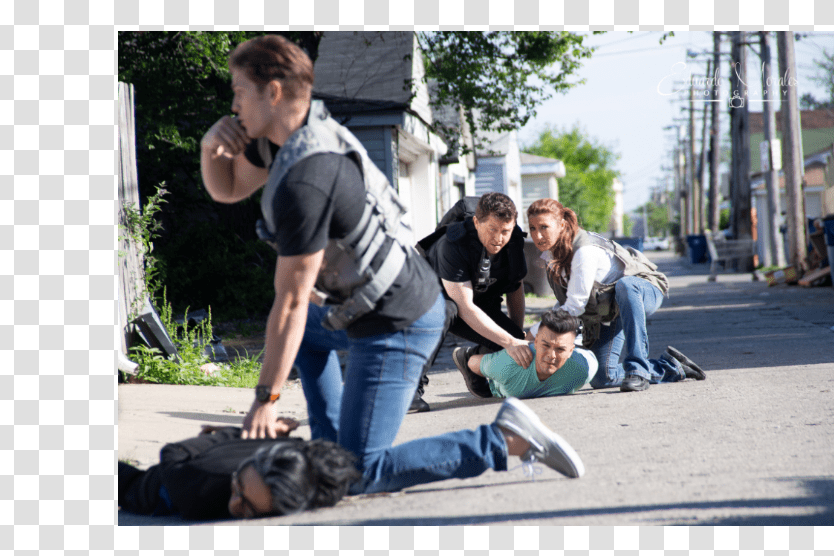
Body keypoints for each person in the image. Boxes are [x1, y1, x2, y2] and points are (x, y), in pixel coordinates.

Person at [198, 35, 584, 494]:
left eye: (240, 91)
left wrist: (266, 399)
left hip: (400, 320)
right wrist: (210, 148)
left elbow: (292, 300)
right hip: (370, 306)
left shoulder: (307, 179)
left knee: (360, 473)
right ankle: (327, 454)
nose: (234, 105)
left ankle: (505, 440)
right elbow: (227, 187)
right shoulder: (293, 136)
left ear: (274, 93)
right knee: (302, 336)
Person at [526, 198, 708, 392]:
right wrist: (537, 332)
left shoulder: (584, 251)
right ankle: (672, 367)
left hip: (643, 290)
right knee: (603, 377)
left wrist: (535, 332)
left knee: (626, 286)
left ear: (561, 225)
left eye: (544, 227)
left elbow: (575, 307)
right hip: (610, 311)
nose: (537, 235)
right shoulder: (551, 256)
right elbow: (565, 303)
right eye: (532, 228)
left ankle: (638, 369)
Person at [411, 192, 531, 411]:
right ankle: (411, 391)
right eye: (492, 229)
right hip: (436, 302)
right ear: (476, 222)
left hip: (482, 300)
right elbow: (464, 307)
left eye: (505, 230)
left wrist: (515, 335)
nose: (499, 238)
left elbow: (516, 287)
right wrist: (510, 343)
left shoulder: (513, 242)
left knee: (513, 341)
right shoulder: (453, 243)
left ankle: (471, 360)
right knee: (446, 311)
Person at [117, 419, 361, 520]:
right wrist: (227, 437)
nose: (234, 503)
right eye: (238, 485)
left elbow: (174, 452)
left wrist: (224, 436)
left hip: (175, 481)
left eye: (248, 508)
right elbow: (171, 454)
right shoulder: (200, 484)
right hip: (156, 486)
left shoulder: (301, 464)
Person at [453, 308, 598, 399]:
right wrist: (469, 358)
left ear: (571, 351)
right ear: (534, 343)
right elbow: (472, 362)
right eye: (545, 346)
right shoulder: (508, 366)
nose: (551, 355)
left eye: (560, 349)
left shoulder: (584, 369)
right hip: (499, 364)